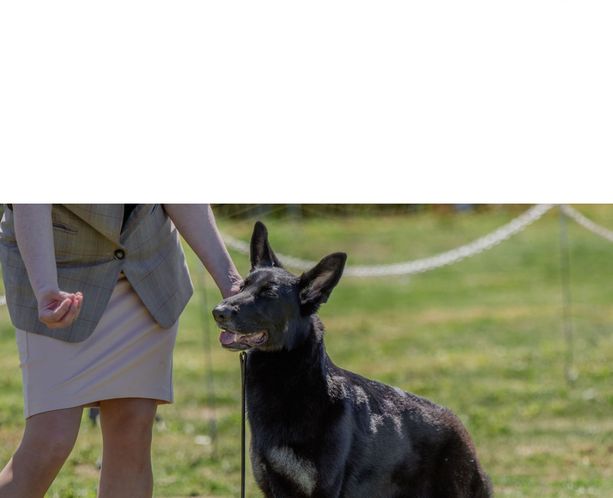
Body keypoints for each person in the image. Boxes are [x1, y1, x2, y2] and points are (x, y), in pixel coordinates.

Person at [0, 204, 242, 498]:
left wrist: (231, 284)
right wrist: (44, 287)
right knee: (50, 441)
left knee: (132, 435)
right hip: (58, 277)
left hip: (145, 273)